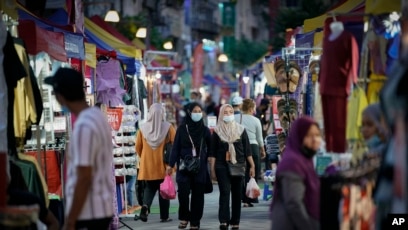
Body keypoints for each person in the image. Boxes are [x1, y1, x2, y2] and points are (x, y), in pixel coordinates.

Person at [44, 68, 114, 229]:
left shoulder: (84, 126)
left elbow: (84, 177)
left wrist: (70, 220)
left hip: (89, 212)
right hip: (100, 208)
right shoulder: (97, 117)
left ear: (61, 95)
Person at [166, 102, 212, 230]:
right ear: (189, 112)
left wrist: (207, 159)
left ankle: (195, 221)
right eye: (195, 111)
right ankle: (184, 217)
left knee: (198, 195)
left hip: (199, 167)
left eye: (199, 111)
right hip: (184, 166)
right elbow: (175, 148)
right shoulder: (182, 129)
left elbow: (211, 147)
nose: (197, 113)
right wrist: (170, 164)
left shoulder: (205, 130)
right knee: (183, 193)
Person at [209, 104, 255, 230]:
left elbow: (247, 150)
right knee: (224, 192)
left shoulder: (241, 129)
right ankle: (223, 220)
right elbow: (212, 153)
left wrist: (252, 165)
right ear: (221, 115)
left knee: (237, 194)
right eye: (225, 112)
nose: (228, 115)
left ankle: (235, 221)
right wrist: (212, 170)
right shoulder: (217, 132)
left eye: (230, 112)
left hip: (238, 165)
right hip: (221, 165)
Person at [270, 116, 321, 230]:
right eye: (308, 135)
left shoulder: (303, 160)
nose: (314, 139)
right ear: (299, 137)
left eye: (317, 135)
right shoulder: (293, 163)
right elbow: (294, 203)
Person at [136, 103, 176, 223]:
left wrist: (144, 157)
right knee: (164, 190)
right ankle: (164, 216)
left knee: (150, 187)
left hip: (148, 165)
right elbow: (174, 145)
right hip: (163, 165)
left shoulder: (142, 129)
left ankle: (145, 206)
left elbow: (138, 147)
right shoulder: (169, 128)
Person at [360, 103, 390, 230]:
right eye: (363, 125)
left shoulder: (388, 155)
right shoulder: (370, 154)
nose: (365, 130)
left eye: (370, 125)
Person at [235, 99, 266, 207]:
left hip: (239, 147)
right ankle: (249, 199)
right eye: (253, 108)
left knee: (240, 173)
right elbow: (259, 138)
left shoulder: (235, 118)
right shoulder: (256, 120)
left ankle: (241, 197)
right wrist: (263, 150)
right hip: (253, 147)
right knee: (252, 173)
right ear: (250, 108)